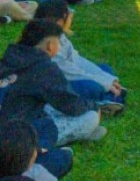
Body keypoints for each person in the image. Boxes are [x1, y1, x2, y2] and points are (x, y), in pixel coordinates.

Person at [0, 20, 105, 148]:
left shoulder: (10, 56)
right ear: (50, 45)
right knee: (90, 117)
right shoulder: (44, 68)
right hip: (16, 133)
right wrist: (92, 106)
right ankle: (57, 139)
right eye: (58, 42)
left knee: (45, 102)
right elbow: (71, 105)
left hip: (12, 113)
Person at [33, 0, 125, 113]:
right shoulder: (46, 43)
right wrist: (104, 82)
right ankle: (104, 100)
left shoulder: (58, 35)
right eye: (69, 15)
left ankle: (108, 96)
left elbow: (77, 60)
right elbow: (68, 72)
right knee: (92, 87)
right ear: (60, 21)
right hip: (54, 84)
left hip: (68, 75)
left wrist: (106, 78)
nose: (71, 18)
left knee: (104, 68)